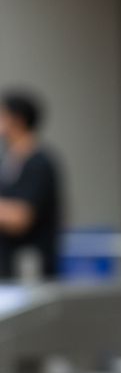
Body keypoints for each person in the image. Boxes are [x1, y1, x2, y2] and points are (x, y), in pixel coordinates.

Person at [0, 90, 62, 280]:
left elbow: (21, 217)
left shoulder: (39, 163)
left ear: (17, 120)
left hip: (31, 272)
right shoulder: (9, 162)